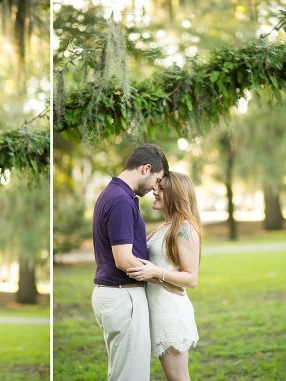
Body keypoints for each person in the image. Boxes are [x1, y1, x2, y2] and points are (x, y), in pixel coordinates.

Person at [90, 143, 181, 381]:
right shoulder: (120, 199)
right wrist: (164, 280)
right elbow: (124, 259)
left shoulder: (115, 194)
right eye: (157, 179)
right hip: (123, 296)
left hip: (117, 295)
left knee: (124, 373)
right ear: (145, 169)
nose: (154, 188)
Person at [127, 172, 202, 381]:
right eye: (156, 186)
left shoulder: (185, 228)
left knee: (178, 378)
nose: (154, 190)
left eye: (161, 188)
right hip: (159, 309)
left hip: (170, 313)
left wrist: (156, 272)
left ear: (176, 195)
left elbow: (192, 278)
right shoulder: (166, 226)